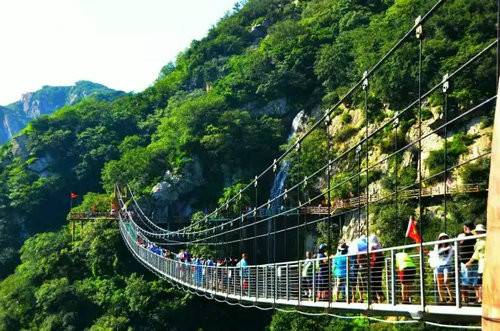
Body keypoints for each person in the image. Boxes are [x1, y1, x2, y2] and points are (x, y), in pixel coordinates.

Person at [465, 224, 486, 304]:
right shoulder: (480, 241)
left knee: (479, 283)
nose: (477, 234)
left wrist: (469, 262)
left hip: (483, 266)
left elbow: (476, 254)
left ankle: (481, 300)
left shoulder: (482, 242)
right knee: (478, 283)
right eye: (477, 232)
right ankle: (480, 299)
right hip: (481, 265)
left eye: (478, 232)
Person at [458, 222, 477, 304]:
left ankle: (476, 298)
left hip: (473, 261)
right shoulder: (462, 235)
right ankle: (464, 298)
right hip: (464, 262)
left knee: (475, 281)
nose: (464, 229)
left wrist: (470, 232)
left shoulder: (474, 235)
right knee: (464, 281)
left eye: (465, 227)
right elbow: (461, 241)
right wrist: (467, 233)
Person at [434, 233, 454, 303]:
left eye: (445, 238)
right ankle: (442, 299)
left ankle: (452, 298)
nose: (443, 239)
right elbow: (434, 255)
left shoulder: (451, 247)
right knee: (439, 283)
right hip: (438, 266)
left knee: (446, 282)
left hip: (447, 265)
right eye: (441, 238)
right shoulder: (437, 247)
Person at [369, 234, 385, 303]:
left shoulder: (372, 246)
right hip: (379, 266)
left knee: (373, 282)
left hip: (373, 266)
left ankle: (374, 298)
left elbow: (370, 255)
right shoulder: (379, 246)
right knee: (378, 282)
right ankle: (380, 297)